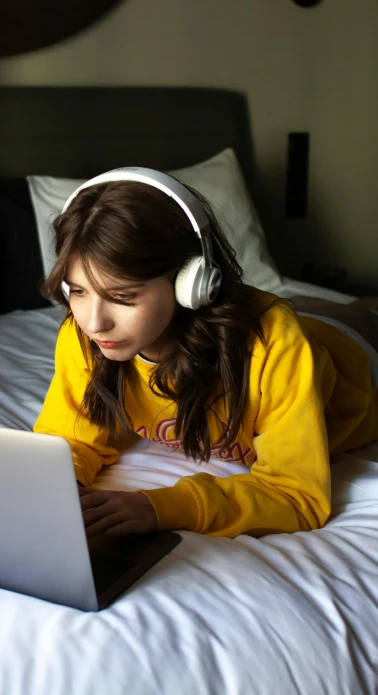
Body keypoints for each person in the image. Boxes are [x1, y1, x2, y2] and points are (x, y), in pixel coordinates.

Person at [33, 168, 378, 539]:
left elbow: (297, 495)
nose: (94, 322)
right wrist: (50, 486)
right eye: (78, 291)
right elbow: (70, 441)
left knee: (356, 313)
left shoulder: (277, 344)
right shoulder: (85, 334)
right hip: (271, 317)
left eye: (123, 297)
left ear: (191, 282)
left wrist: (161, 507)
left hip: (350, 349)